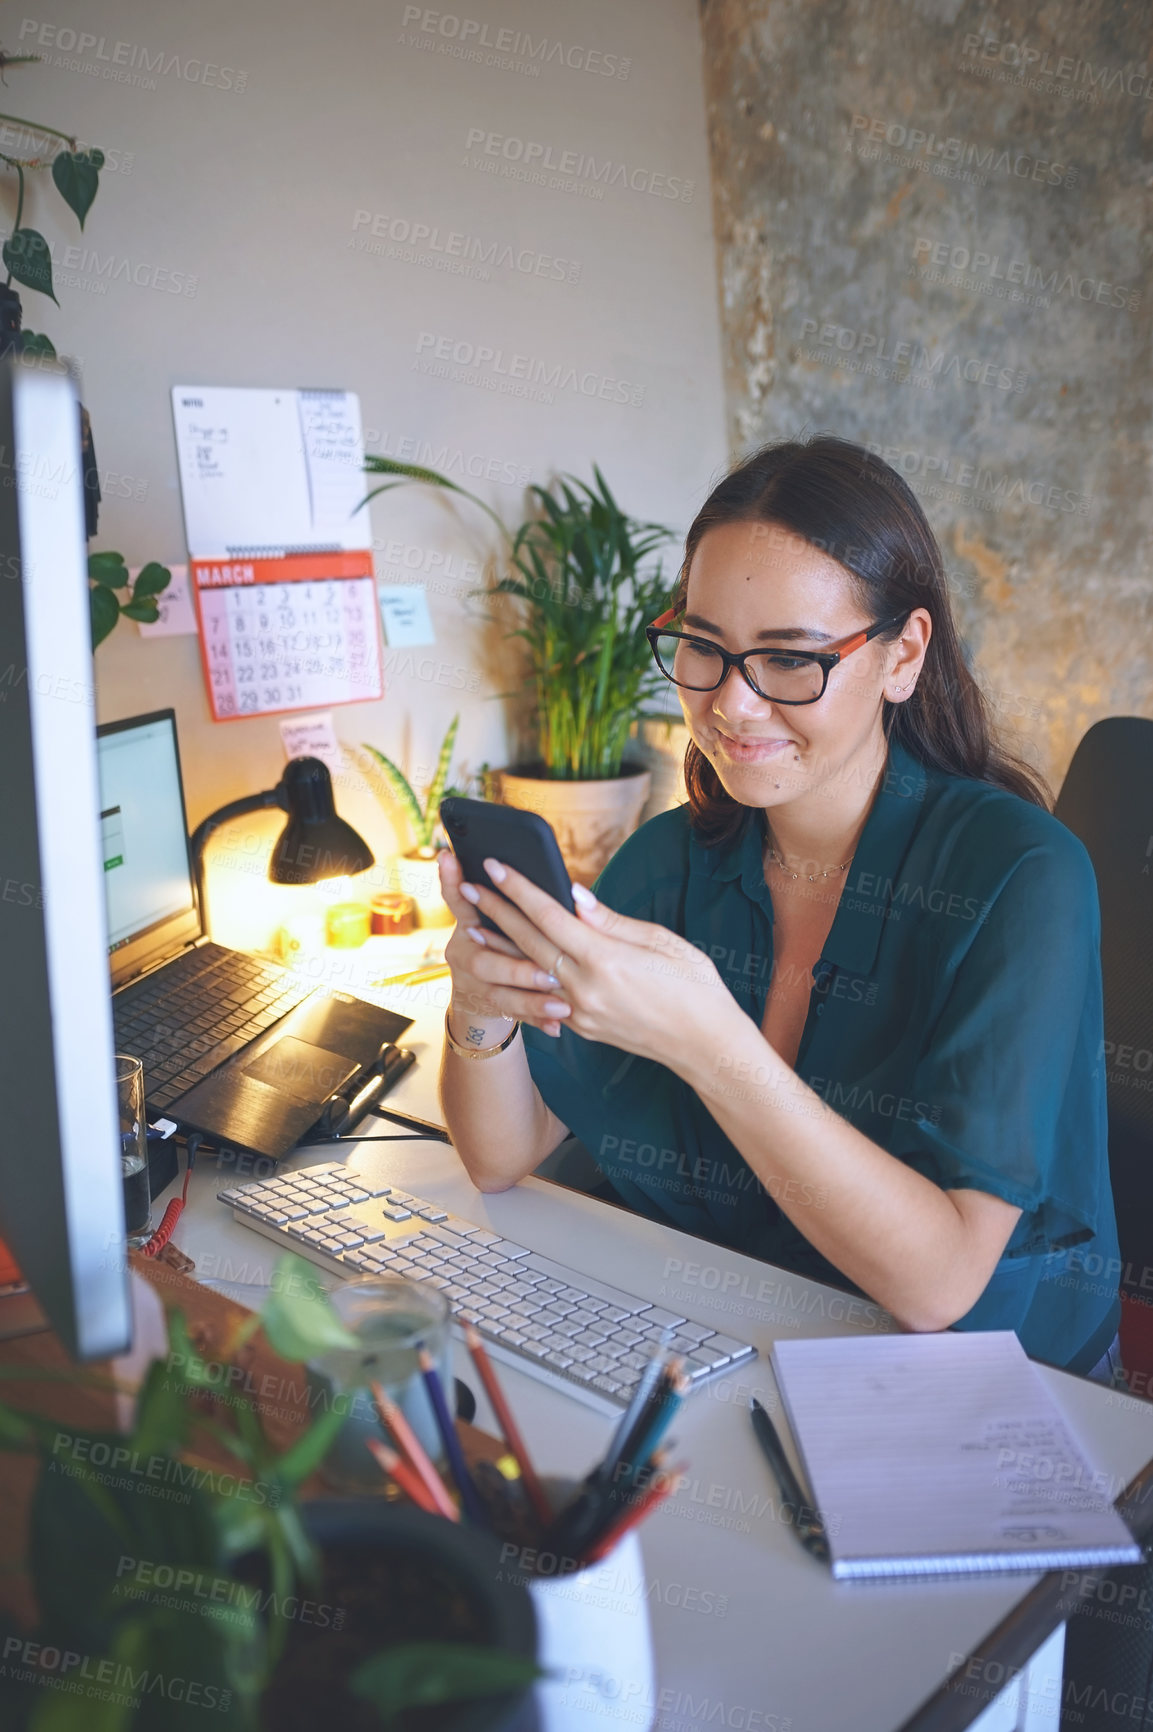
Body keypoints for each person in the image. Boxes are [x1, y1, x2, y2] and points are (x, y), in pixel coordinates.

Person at [437, 436, 1122, 1379]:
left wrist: (708, 1041)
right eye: (704, 649)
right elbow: (501, 1156)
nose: (732, 705)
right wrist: (478, 1006)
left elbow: (940, 1284)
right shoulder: (671, 858)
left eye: (791, 662)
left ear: (901, 656)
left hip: (978, 1385)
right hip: (726, 1339)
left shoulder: (1023, 877)